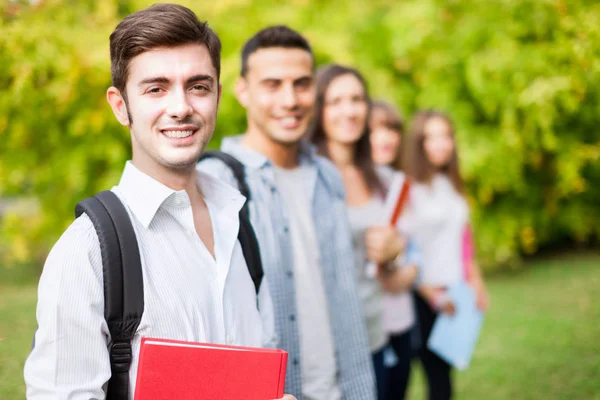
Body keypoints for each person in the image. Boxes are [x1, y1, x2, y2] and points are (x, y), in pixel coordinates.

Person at [23, 4, 293, 399]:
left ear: (217, 96)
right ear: (121, 106)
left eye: (198, 86)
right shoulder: (88, 250)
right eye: (156, 89)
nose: (181, 107)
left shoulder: (238, 223)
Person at [198, 27, 376, 400]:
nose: (290, 99)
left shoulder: (328, 176)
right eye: (273, 84)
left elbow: (345, 293)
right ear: (243, 91)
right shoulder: (216, 183)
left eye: (302, 83)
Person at [307, 64, 419, 400]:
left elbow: (401, 248)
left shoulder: (379, 177)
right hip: (329, 343)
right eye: (336, 101)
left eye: (357, 99)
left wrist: (395, 250)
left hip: (375, 332)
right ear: (319, 110)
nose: (349, 110)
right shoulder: (306, 173)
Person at [403, 110, 490, 400]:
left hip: (456, 294)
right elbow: (404, 250)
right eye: (431, 137)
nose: (441, 144)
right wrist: (433, 296)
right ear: (419, 143)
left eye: (446, 136)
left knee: (444, 384)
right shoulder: (409, 188)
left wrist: (475, 282)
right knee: (432, 381)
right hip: (424, 298)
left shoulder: (452, 184)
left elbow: (463, 239)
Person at [369, 100, 416, 400]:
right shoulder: (351, 185)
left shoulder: (398, 183)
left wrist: (411, 266)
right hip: (371, 324)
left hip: (402, 318)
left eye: (393, 129)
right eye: (378, 130)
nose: (388, 137)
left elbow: (413, 244)